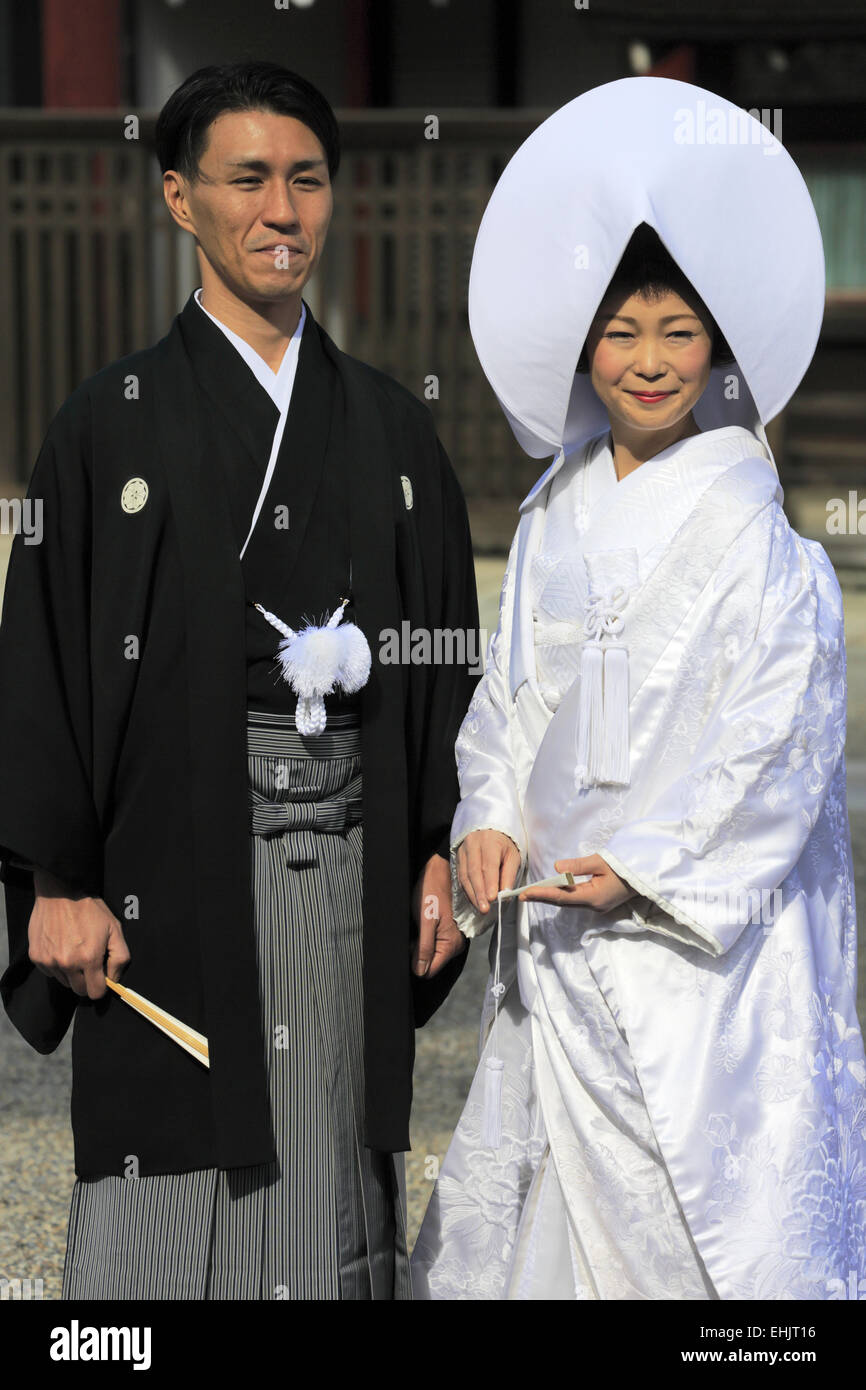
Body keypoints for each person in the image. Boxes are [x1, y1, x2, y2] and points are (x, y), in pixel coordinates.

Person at [0, 60, 478, 1300]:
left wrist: (436, 840)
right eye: (248, 179)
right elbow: (44, 648)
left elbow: (444, 651)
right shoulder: (109, 423)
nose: (282, 211)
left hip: (350, 851)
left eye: (307, 180)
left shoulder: (387, 429)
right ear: (179, 197)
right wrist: (54, 879)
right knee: (169, 1144)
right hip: (171, 858)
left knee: (323, 1136)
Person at [410, 76, 866, 1301]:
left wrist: (649, 866)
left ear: (713, 342)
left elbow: (779, 748)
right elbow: (504, 700)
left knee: (702, 1244)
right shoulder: (553, 513)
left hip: (695, 961)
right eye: (619, 332)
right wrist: (491, 815)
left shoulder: (764, 547)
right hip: (558, 938)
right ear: (582, 346)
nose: (649, 362)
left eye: (675, 331)